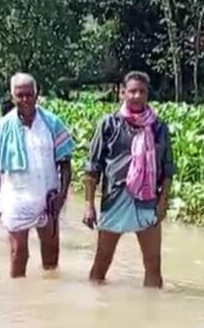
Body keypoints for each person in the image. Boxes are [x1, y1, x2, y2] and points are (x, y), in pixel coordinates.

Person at [83, 71, 177, 288]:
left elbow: (168, 170)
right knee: (102, 262)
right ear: (123, 93)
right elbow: (92, 168)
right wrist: (89, 205)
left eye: (142, 91)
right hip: (115, 199)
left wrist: (163, 203)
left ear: (147, 95)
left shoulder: (158, 127)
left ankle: (151, 317)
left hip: (147, 201)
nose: (136, 96)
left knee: (153, 265)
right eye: (132, 91)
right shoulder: (109, 124)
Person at [0, 73, 74, 277]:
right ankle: (17, 301)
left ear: (37, 94)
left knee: (51, 256)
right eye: (20, 95)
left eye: (29, 94)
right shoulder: (0, 129)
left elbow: (65, 162)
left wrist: (62, 194)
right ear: (12, 96)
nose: (25, 100)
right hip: (16, 198)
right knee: (18, 254)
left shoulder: (52, 123)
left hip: (49, 198)